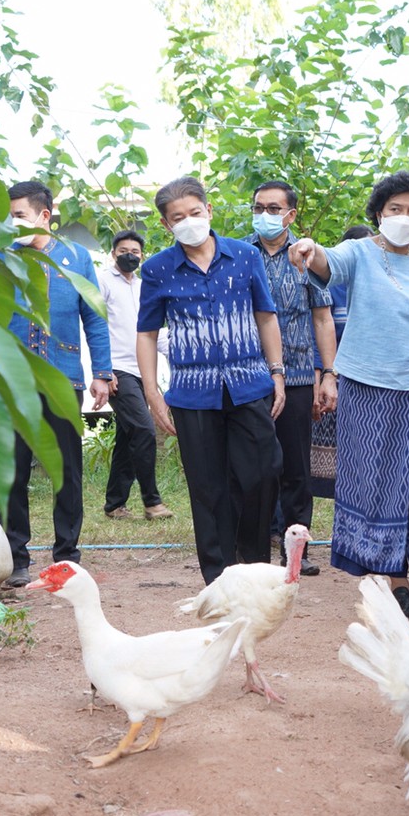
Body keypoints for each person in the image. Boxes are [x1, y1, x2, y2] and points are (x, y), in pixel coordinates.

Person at [287, 171, 409, 628]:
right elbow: (329, 263)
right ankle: (396, 585)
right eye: (396, 209)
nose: (405, 217)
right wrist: (310, 250)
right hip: (367, 390)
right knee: (378, 485)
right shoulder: (361, 253)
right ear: (378, 213)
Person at [136, 176, 286, 586]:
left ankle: (254, 566)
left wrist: (277, 373)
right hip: (191, 392)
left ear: (209, 211)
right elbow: (147, 334)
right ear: (167, 225)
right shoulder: (157, 270)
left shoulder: (244, 256)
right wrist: (152, 392)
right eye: (178, 218)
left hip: (249, 383)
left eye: (195, 213)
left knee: (263, 473)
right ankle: (219, 577)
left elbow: (265, 316)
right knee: (208, 486)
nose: (189, 222)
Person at [0, 181, 113, 588]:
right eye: (7, 216)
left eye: (19, 216)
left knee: (67, 468)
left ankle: (67, 554)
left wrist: (102, 373)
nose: (11, 223)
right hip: (9, 381)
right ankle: (16, 556)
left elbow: (94, 318)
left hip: (64, 377)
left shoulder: (77, 258)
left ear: (45, 217)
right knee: (11, 471)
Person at [246, 180, 335, 576]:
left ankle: (296, 550)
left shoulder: (308, 257)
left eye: (274, 208)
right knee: (256, 464)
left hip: (300, 376)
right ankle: (254, 544)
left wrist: (327, 373)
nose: (266, 215)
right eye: (259, 207)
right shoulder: (237, 254)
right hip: (249, 376)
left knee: (297, 468)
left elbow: (322, 317)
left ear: (290, 214)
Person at [98, 229, 174, 522]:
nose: (130, 255)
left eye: (135, 251)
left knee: (129, 434)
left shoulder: (145, 286)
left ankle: (114, 504)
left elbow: (154, 332)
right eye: (123, 250)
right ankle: (152, 502)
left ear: (142, 256)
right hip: (117, 369)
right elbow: (95, 324)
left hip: (144, 369)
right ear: (113, 253)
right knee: (144, 429)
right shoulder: (102, 281)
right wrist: (102, 370)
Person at [309, 225, 371, 500]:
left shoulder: (379, 287)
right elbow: (320, 333)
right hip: (337, 378)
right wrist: (324, 376)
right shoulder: (330, 288)